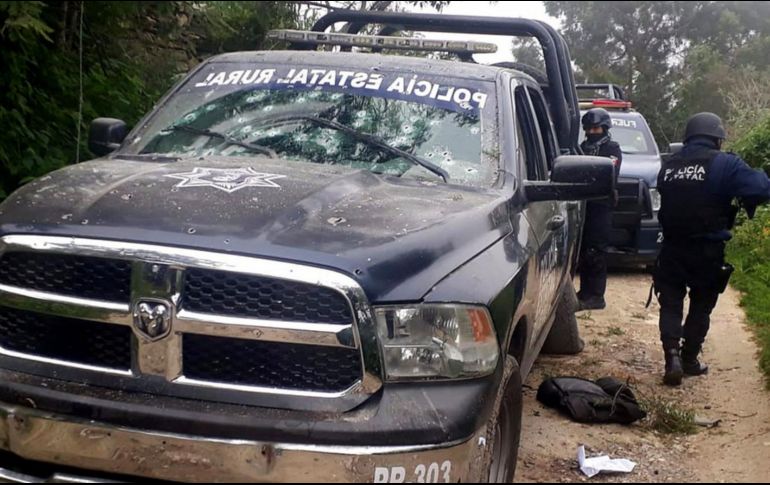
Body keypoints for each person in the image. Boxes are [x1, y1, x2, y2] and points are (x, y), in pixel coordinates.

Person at [655, 112, 770, 386]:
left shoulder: (669, 165)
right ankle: (689, 359)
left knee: (670, 302)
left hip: (671, 247)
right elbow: (760, 189)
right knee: (701, 304)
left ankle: (671, 356)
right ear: (717, 139)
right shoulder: (725, 164)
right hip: (707, 249)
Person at [578, 108, 622, 311]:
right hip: (583, 205)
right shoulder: (581, 148)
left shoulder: (612, 148)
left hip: (600, 207)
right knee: (584, 251)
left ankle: (596, 295)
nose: (592, 132)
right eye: (589, 128)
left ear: (604, 128)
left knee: (596, 251)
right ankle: (585, 292)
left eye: (596, 128)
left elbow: (608, 172)